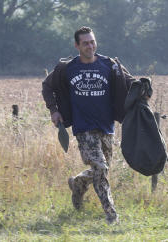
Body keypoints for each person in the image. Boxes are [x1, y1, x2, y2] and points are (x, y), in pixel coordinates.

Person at [42, 26, 135, 224]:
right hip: (83, 128)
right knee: (100, 167)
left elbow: (130, 83)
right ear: (77, 46)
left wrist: (143, 88)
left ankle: (78, 183)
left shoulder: (110, 65)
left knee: (102, 170)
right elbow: (47, 86)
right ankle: (111, 215)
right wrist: (54, 110)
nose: (90, 46)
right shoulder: (67, 68)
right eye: (85, 43)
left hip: (107, 127)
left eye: (92, 42)